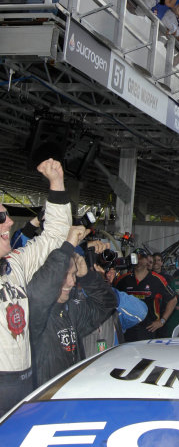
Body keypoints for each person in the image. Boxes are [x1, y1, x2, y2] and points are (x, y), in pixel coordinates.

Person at [0, 158, 72, 416]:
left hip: (24, 380)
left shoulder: (14, 265)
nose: (9, 222)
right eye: (1, 217)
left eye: (7, 215)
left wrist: (57, 184)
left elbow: (54, 236)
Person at [27, 229, 117, 387]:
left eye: (74, 275)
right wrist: (67, 246)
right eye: (64, 276)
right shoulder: (34, 314)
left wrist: (87, 277)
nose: (71, 282)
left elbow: (107, 303)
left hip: (69, 397)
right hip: (43, 402)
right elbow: (40, 293)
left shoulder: (71, 310)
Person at [115, 248, 177, 341]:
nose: (139, 261)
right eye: (136, 258)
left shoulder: (157, 279)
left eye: (142, 258)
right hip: (127, 328)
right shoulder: (122, 280)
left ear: (147, 260)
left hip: (149, 329)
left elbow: (173, 299)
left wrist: (162, 321)